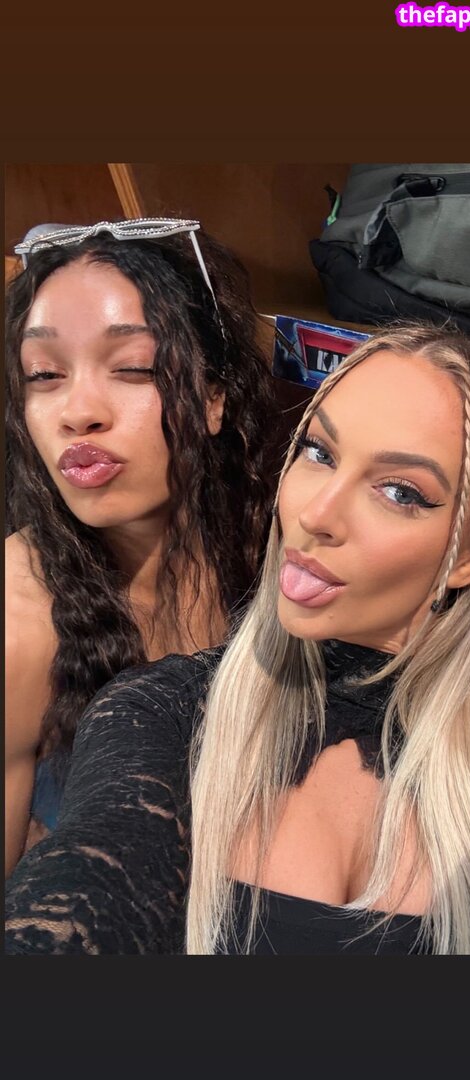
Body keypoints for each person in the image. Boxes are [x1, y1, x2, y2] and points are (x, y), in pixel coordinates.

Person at [5, 323, 470, 955]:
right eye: (319, 452)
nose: (316, 514)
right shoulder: (159, 712)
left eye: (400, 492)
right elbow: (88, 885)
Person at [4, 218, 276, 877]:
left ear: (214, 398)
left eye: (132, 368)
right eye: (44, 374)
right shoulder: (17, 624)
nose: (78, 411)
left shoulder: (272, 553)